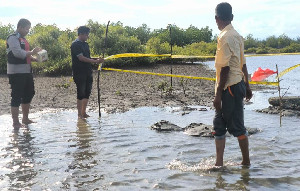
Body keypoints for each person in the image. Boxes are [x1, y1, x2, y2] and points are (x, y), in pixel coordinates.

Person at [213, 2, 253, 166]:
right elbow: (243, 63)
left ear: (216, 19)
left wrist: (218, 95)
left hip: (229, 87)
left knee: (237, 127)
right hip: (237, 85)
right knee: (219, 124)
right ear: (232, 17)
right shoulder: (237, 36)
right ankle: (220, 164)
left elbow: (225, 69)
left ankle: (245, 162)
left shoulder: (224, 37)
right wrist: (248, 85)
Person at [6, 18, 42, 129]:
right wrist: (32, 52)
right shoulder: (12, 38)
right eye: (26, 28)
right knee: (16, 96)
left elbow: (27, 55)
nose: (28, 31)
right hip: (16, 72)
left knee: (29, 93)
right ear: (20, 27)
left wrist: (36, 59)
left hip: (27, 71)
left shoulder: (23, 39)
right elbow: (18, 53)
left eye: (28, 29)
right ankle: (15, 122)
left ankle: (25, 119)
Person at [71, 26, 104, 119]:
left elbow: (88, 57)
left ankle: (83, 112)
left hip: (88, 71)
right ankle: (79, 114)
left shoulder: (86, 44)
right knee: (80, 93)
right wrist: (95, 61)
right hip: (79, 72)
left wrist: (97, 59)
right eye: (86, 35)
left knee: (87, 92)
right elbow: (81, 58)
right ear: (81, 34)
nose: (87, 36)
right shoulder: (75, 44)